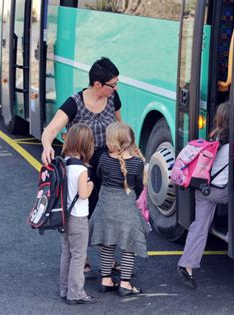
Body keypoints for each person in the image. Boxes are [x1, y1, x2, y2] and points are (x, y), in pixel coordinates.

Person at [41, 57, 122, 276]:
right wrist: (47, 146)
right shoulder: (74, 103)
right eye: (112, 85)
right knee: (81, 212)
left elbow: (119, 127)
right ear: (98, 84)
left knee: (107, 211)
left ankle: (107, 259)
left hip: (106, 162)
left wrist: (128, 152)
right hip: (81, 165)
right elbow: (49, 131)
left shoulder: (113, 99)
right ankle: (81, 257)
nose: (116, 88)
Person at [89, 122, 150, 297]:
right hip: (126, 209)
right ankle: (125, 284)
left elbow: (100, 176)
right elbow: (138, 188)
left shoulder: (104, 159)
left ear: (112, 143)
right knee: (128, 246)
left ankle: (106, 281)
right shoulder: (137, 163)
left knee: (108, 244)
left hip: (106, 207)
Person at [177, 102, 230, 289]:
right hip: (219, 192)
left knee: (199, 226)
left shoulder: (214, 136)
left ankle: (187, 265)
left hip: (203, 189)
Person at [59, 124, 97, 305]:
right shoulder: (82, 169)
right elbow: (83, 194)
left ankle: (64, 289)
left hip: (65, 216)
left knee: (66, 252)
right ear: (86, 145)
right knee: (79, 256)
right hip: (79, 218)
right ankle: (76, 293)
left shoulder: (64, 163)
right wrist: (91, 186)